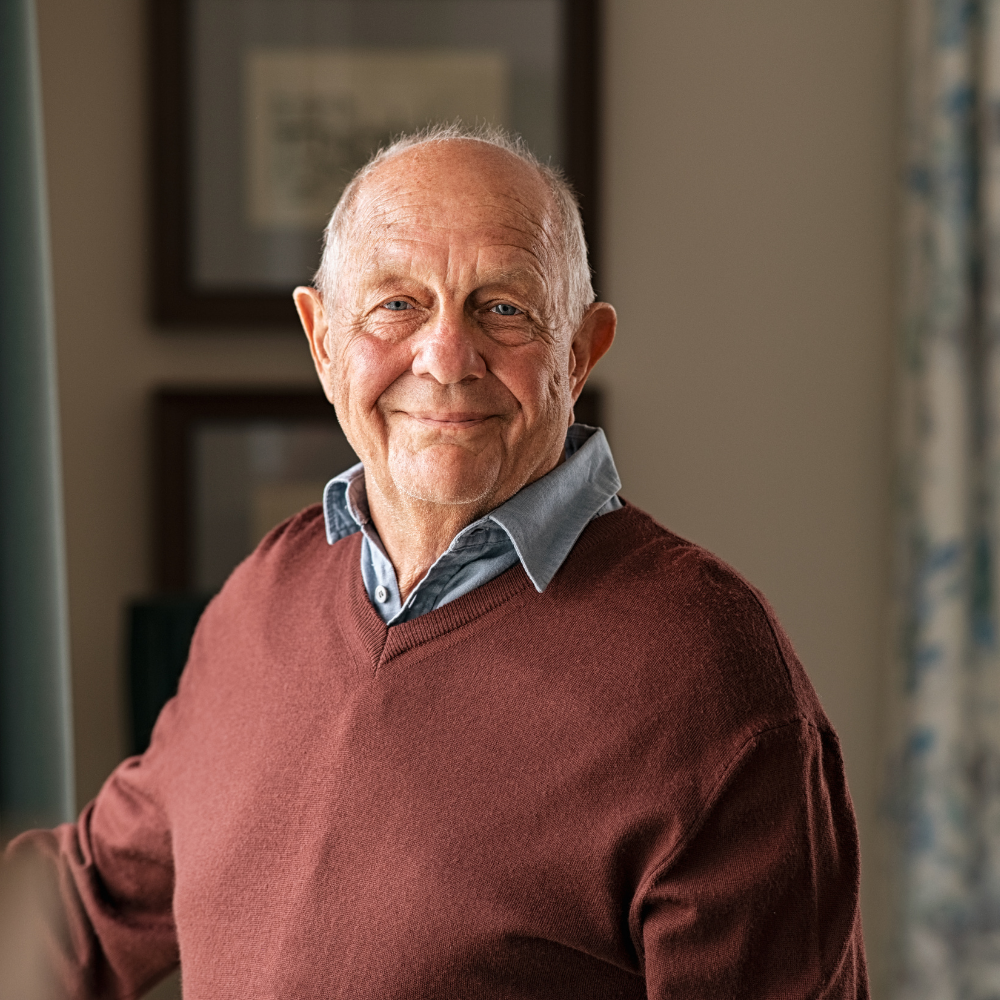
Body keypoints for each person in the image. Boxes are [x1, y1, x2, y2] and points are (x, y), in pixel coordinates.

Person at [5, 124, 868, 998]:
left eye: (504, 308)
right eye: (396, 304)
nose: (447, 358)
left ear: (581, 351)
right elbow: (82, 907)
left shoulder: (709, 670)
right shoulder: (266, 592)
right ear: (322, 339)